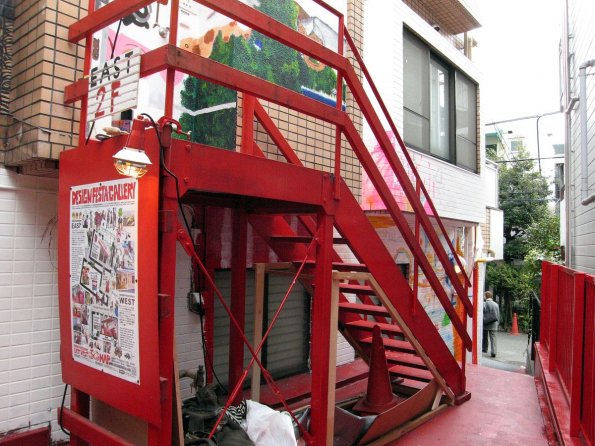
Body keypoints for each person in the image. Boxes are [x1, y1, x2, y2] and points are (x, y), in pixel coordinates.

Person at [482, 291, 500, 357]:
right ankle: (493, 352)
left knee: (485, 337)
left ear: (486, 296)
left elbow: (482, 313)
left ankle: (484, 349)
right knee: (493, 338)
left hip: (485, 323)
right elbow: (498, 315)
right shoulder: (496, 304)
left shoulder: (484, 303)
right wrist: (497, 323)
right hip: (494, 324)